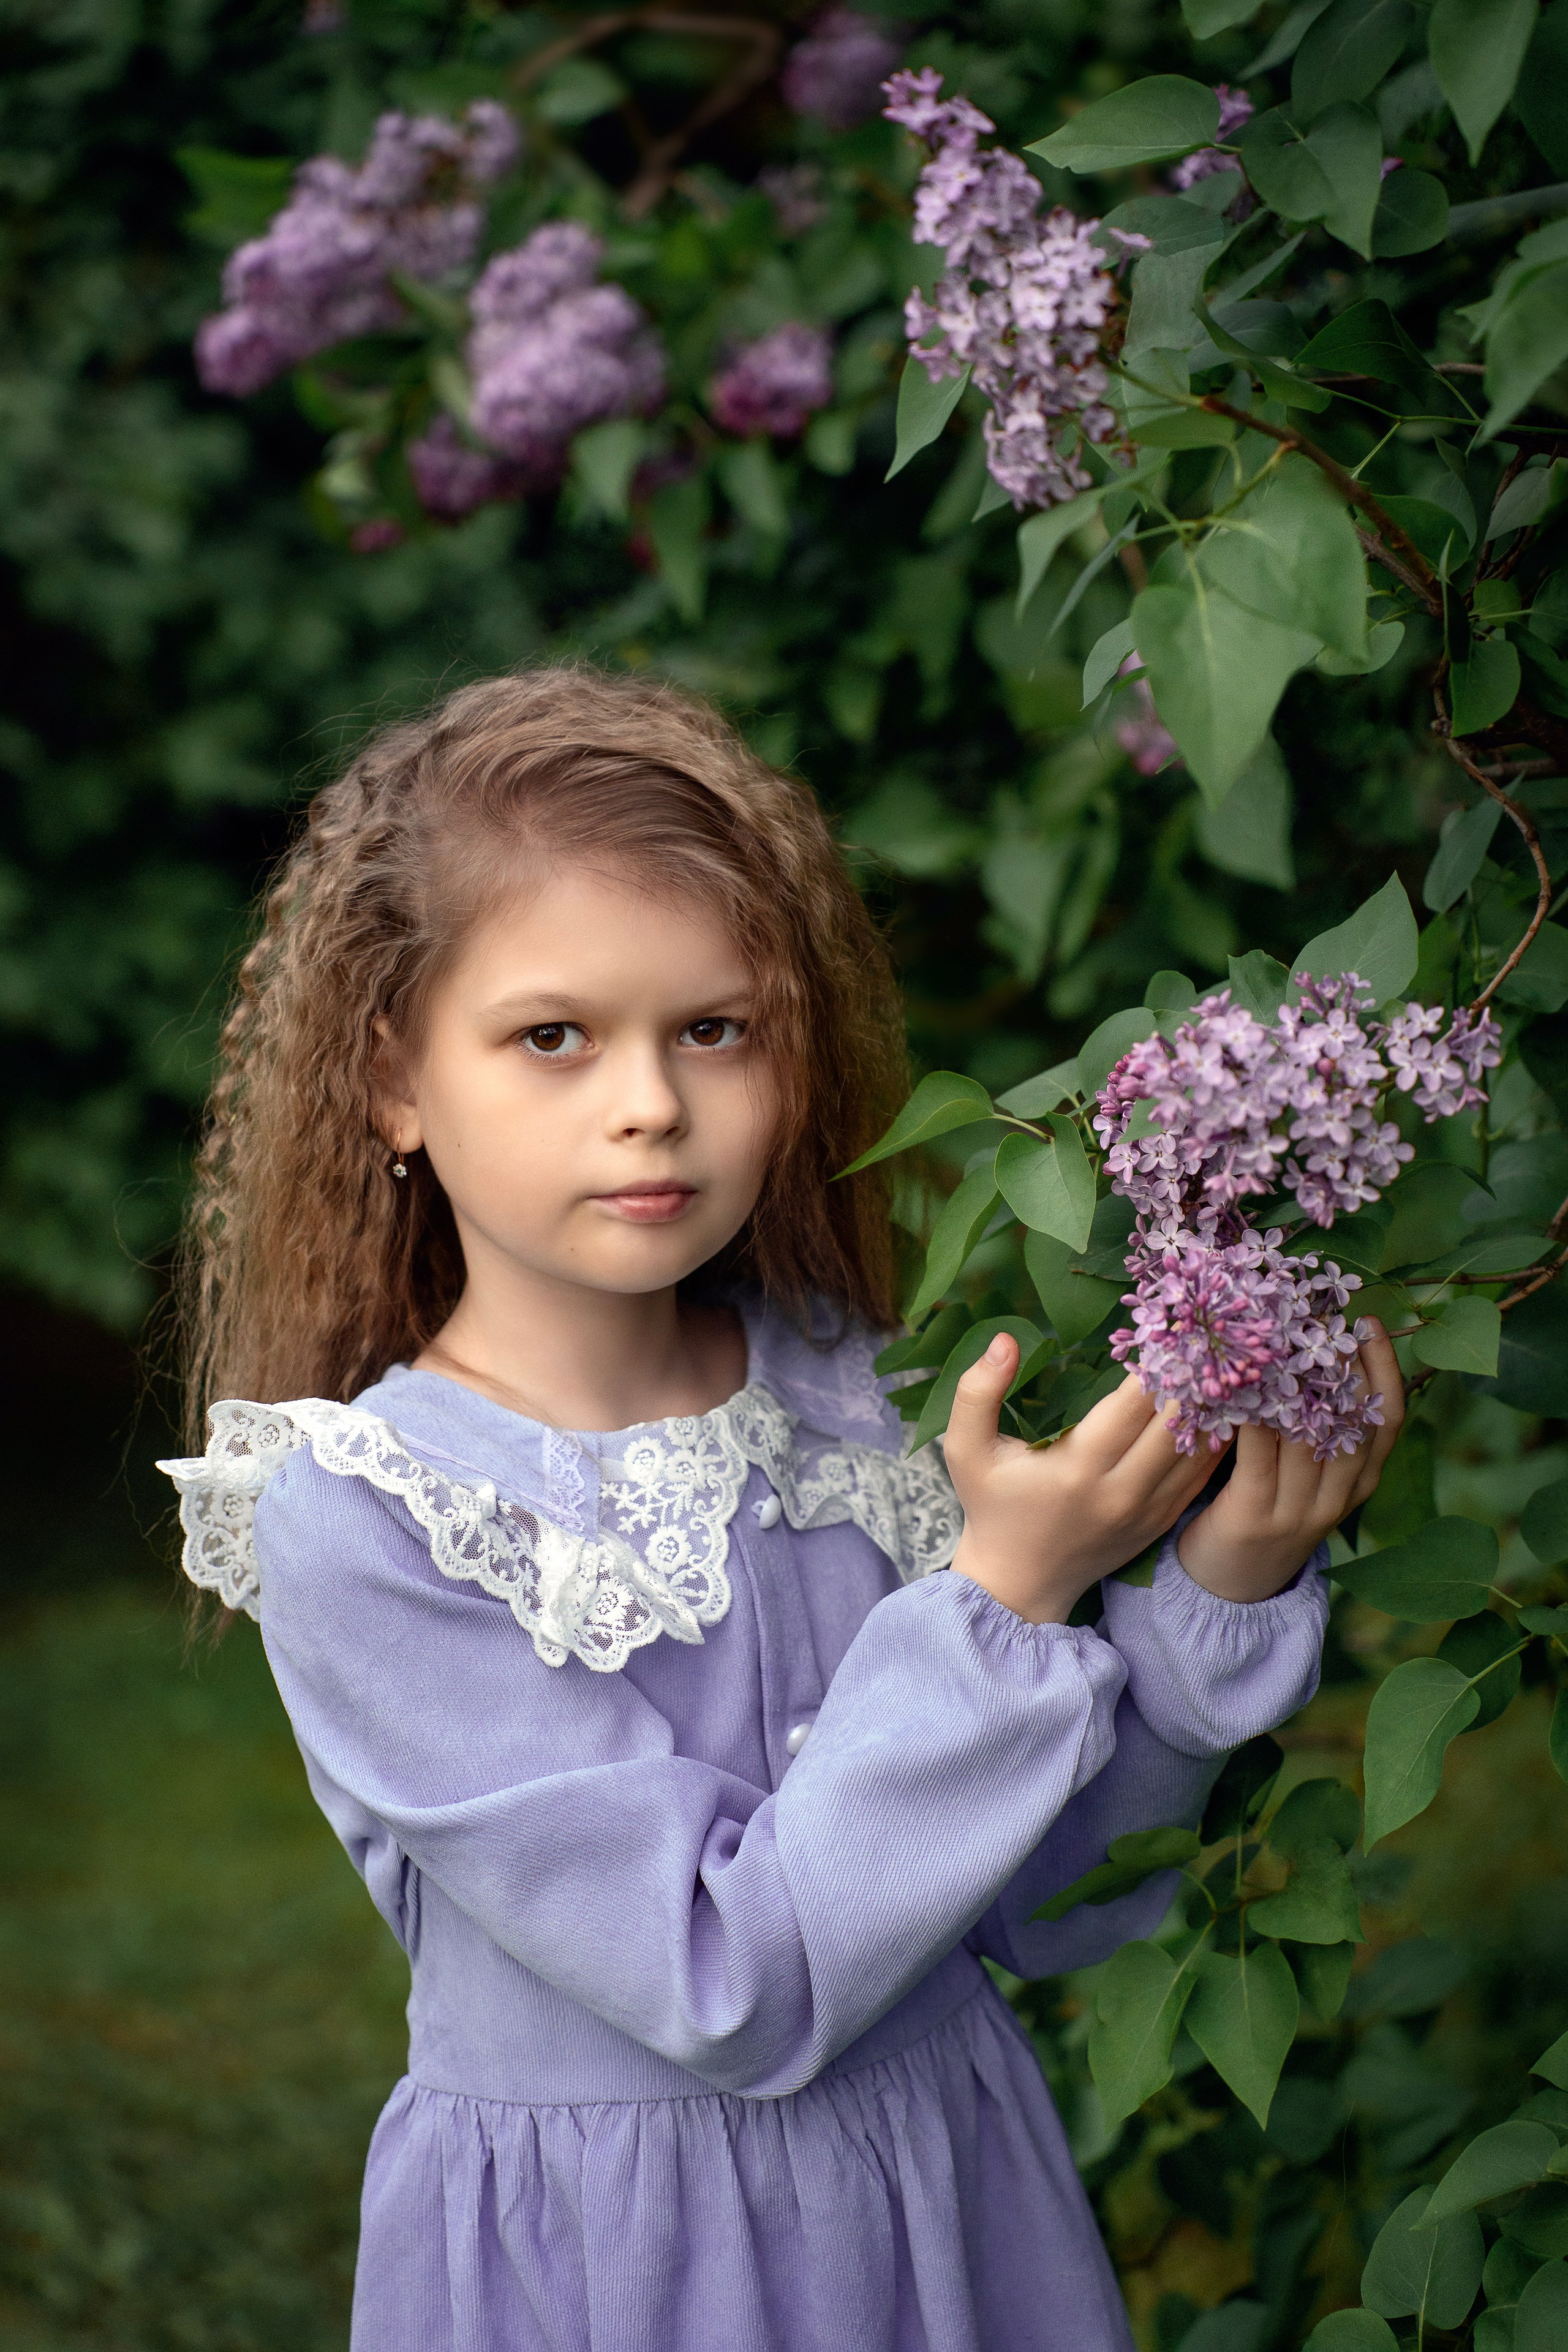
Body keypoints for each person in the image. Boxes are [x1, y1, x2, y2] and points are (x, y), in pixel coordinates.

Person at [159, 665, 1401, 2352]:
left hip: (947, 2209)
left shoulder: (858, 1388)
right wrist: (1003, 1603)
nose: (650, 1103)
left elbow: (1049, 1906)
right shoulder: (369, 1516)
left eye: (714, 1029)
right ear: (393, 1079)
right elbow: (726, 1984)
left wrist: (1218, 1589)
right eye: (551, 1037)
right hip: (627, 2266)